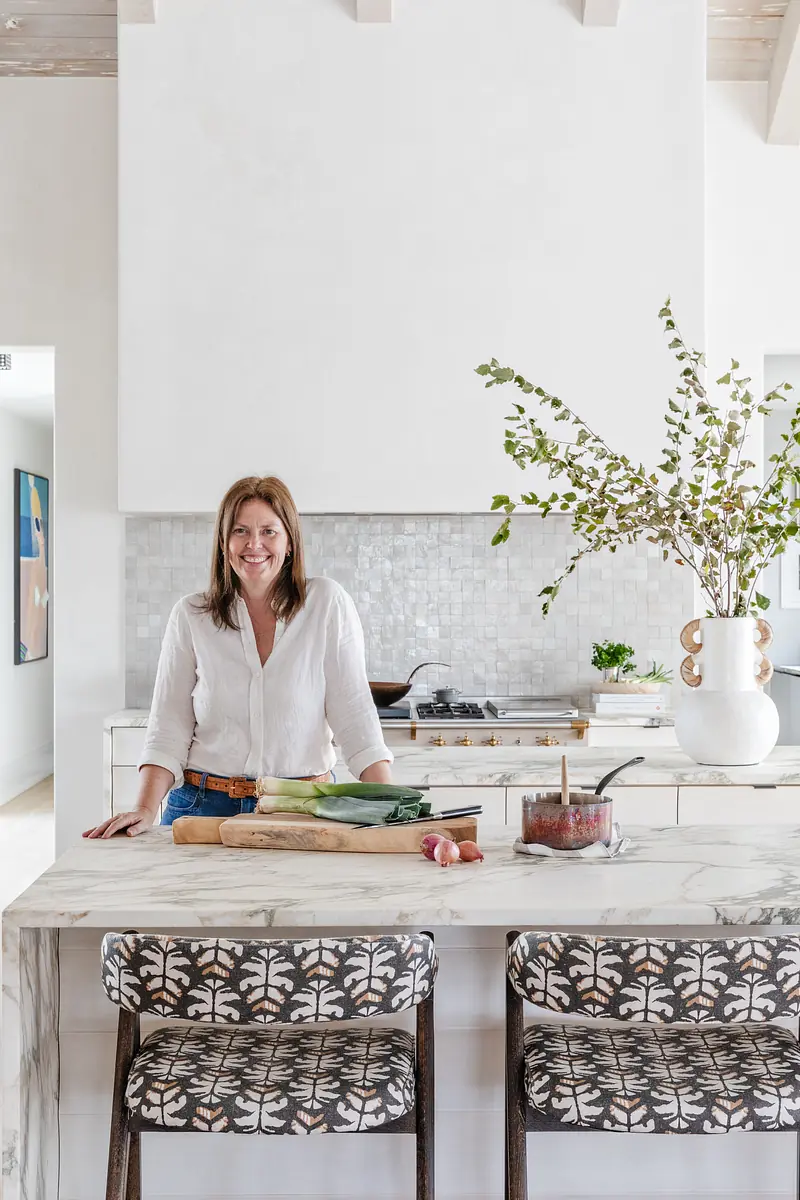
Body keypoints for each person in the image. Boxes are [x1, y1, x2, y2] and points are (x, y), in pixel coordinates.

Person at [84, 476, 392, 838]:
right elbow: (168, 727)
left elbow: (354, 717)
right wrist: (144, 808)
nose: (254, 544)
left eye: (269, 531)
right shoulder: (191, 615)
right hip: (201, 807)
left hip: (304, 809)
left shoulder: (327, 603)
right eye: (240, 531)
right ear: (224, 543)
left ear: (290, 542)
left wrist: (393, 804)